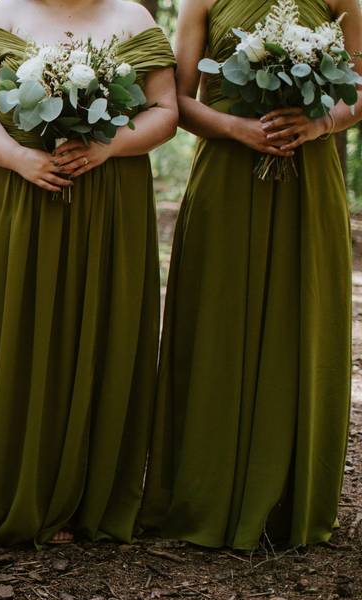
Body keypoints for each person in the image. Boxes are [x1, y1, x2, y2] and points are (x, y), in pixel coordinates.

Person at [0, 0, 178, 546]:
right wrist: (16, 157)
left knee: (98, 328)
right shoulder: (5, 11)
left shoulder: (135, 17)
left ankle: (87, 496)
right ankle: (6, 488)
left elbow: (165, 110)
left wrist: (109, 146)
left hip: (107, 193)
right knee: (13, 331)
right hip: (15, 190)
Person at [141, 0, 360, 550]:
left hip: (309, 174)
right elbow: (178, 103)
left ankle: (287, 497)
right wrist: (237, 129)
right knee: (217, 318)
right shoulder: (201, 2)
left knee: (300, 318)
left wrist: (319, 123)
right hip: (228, 171)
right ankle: (204, 492)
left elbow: (358, 89)